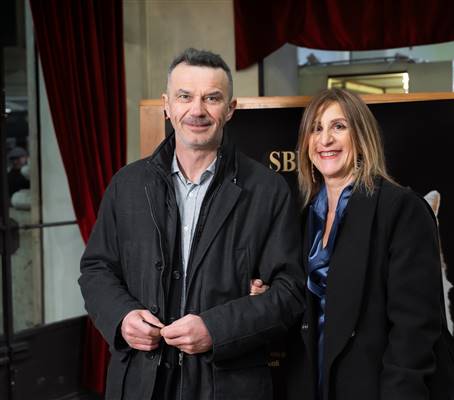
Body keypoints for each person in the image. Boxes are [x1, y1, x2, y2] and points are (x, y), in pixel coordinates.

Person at [79, 48, 304, 400]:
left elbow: (290, 292)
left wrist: (217, 329)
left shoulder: (268, 190)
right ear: (167, 106)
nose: (197, 110)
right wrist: (122, 317)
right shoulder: (127, 185)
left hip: (228, 386)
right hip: (140, 382)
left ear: (230, 109)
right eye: (185, 96)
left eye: (212, 98)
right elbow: (96, 270)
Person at [285, 88, 444, 400]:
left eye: (338, 126)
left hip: (375, 386)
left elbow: (414, 328)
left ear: (361, 136)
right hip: (313, 383)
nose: (325, 139)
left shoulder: (401, 209)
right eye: (316, 128)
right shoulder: (305, 218)